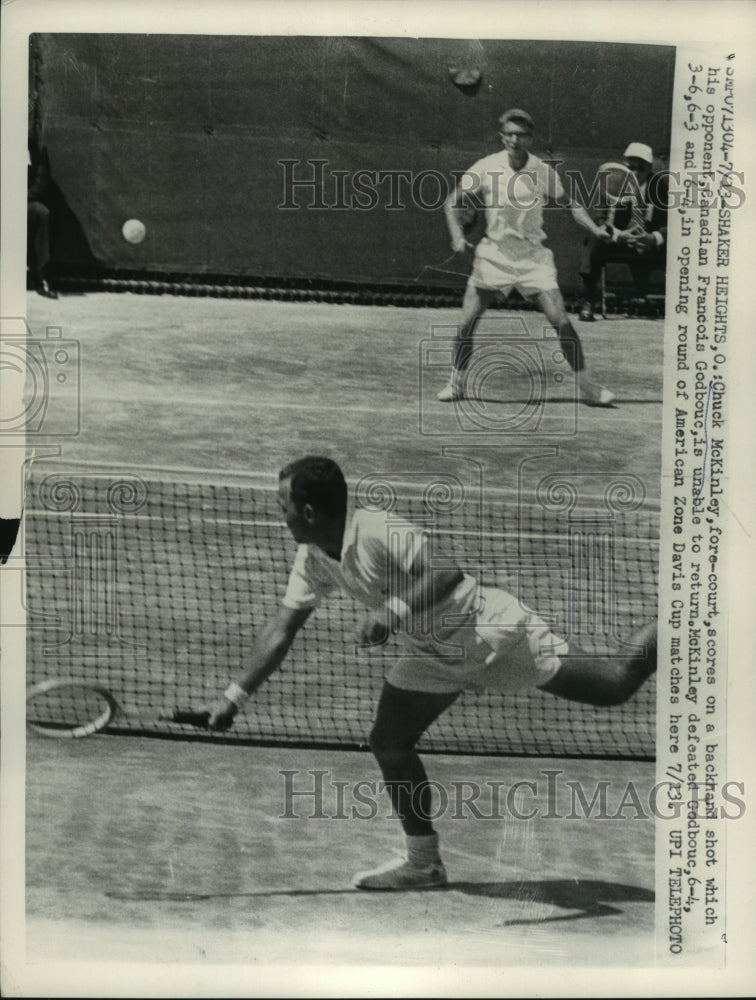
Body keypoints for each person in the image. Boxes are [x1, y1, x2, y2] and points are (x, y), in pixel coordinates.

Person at [208, 456, 657, 891]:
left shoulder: (376, 528)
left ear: (308, 511)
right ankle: (423, 864)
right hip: (432, 657)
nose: (280, 516)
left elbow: (447, 571)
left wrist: (392, 610)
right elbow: (282, 628)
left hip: (492, 636)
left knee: (615, 684)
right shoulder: (313, 556)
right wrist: (234, 697)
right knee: (389, 742)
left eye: (282, 507)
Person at [438, 108, 614, 408]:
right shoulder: (485, 166)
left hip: (533, 258)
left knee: (561, 322)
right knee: (466, 323)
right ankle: (455, 384)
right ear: (502, 137)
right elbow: (452, 202)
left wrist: (596, 229)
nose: (515, 140)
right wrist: (457, 235)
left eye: (521, 135)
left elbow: (570, 204)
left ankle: (588, 389)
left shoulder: (543, 171)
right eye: (509, 134)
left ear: (530, 138)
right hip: (493, 256)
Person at [578, 142, 668, 321]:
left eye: (640, 168)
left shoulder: (659, 186)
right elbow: (600, 220)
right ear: (623, 166)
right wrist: (619, 236)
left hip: (648, 244)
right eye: (630, 167)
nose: (634, 173)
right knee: (594, 241)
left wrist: (653, 238)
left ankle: (666, 303)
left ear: (649, 168)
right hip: (618, 242)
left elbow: (672, 223)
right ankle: (588, 301)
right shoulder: (612, 182)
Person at [27, 140, 58, 299]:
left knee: (41, 212)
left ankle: (41, 277)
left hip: (22, 201)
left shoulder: (35, 147)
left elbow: (40, 183)